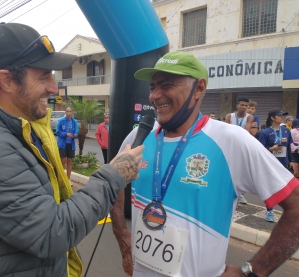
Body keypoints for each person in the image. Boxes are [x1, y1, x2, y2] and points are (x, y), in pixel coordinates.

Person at [0, 22, 144, 277]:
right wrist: (113, 175)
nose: (53, 87)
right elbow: (51, 232)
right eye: (43, 76)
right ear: (6, 80)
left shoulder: (22, 130)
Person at [110, 51, 299, 277]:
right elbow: (114, 184)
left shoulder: (232, 140)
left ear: (199, 88)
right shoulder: (138, 138)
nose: (155, 96)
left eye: (167, 85)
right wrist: (121, 233)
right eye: (152, 87)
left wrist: (252, 272)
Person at [258, 109, 294, 222]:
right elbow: (259, 150)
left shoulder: (286, 131)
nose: (281, 117)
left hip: (283, 163)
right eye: (279, 116)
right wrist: (271, 149)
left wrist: (291, 160)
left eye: (282, 116)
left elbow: (288, 147)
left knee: (286, 187)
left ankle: (288, 210)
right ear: (272, 118)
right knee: (271, 187)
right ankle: (269, 211)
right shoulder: (265, 132)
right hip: (270, 163)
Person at [225, 97, 254, 204]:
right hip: (230, 146)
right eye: (242, 105)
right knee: (229, 169)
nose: (244, 107)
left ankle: (241, 194)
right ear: (237, 105)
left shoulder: (249, 117)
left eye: (246, 106)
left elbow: (247, 132)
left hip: (241, 146)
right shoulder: (230, 116)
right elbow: (226, 132)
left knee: (241, 170)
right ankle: (228, 191)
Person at [57, 106, 78, 179]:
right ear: (65, 112)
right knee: (63, 160)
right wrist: (66, 134)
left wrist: (75, 135)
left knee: (69, 160)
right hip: (63, 144)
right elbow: (58, 132)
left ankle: (68, 179)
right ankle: (61, 178)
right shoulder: (61, 121)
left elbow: (76, 131)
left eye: (70, 111)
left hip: (71, 144)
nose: (69, 113)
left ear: (72, 112)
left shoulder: (74, 122)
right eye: (67, 111)